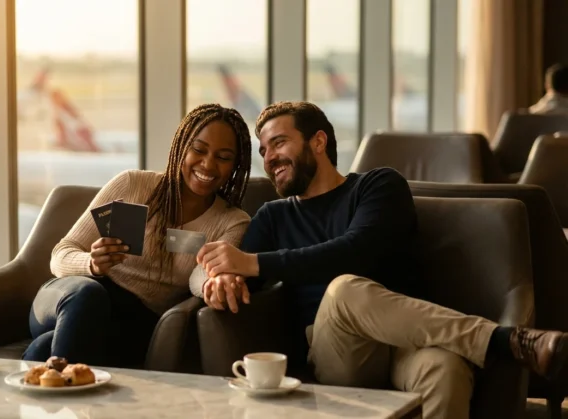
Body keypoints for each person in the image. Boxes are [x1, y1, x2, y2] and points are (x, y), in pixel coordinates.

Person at [193, 101, 568, 419]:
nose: (269, 157)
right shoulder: (273, 216)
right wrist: (222, 279)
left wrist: (251, 263)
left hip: (408, 343)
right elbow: (243, 282)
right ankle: (506, 341)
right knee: (343, 291)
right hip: (339, 352)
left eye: (278, 143)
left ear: (318, 141)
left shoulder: (378, 186)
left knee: (446, 369)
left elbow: (358, 249)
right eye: (263, 151)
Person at [21, 103, 253, 368]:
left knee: (44, 348)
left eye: (223, 157)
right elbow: (61, 253)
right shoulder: (132, 185)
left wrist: (214, 281)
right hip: (69, 298)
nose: (208, 164)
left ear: (236, 165)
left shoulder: (232, 222)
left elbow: (203, 272)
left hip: (134, 323)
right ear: (181, 146)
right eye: (198, 150)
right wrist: (91, 263)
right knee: (89, 294)